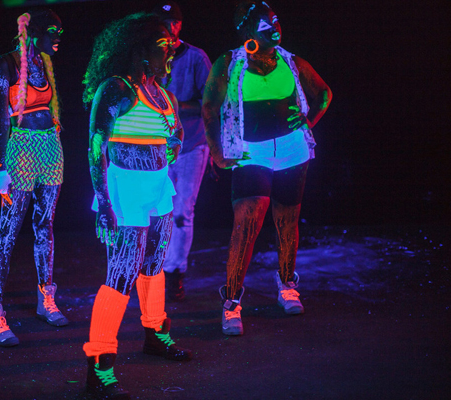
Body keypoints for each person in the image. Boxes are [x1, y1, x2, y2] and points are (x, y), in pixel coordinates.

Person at [203, 1, 332, 336]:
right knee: (247, 225)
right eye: (266, 25)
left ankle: (287, 285)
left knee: (287, 221)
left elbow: (324, 94)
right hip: (251, 152)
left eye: (277, 22)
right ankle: (231, 302)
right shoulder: (229, 63)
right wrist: (217, 153)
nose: (275, 29)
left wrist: (308, 121)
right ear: (247, 30)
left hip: (292, 150)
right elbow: (209, 108)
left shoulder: (291, 61)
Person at [82, 12, 193, 399]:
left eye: (172, 46)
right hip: (125, 191)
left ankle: (155, 333)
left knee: (153, 265)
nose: (170, 51)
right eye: (163, 46)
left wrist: (175, 141)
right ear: (140, 49)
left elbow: (175, 134)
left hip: (158, 188)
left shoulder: (163, 94)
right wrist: (103, 203)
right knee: (121, 274)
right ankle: (99, 365)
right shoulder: (116, 88)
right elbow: (96, 148)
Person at [0, 8, 69, 347]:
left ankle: (46, 298)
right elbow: (1, 117)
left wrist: (56, 138)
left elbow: (51, 107)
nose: (58, 38)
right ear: (34, 33)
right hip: (19, 148)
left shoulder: (46, 64)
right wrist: (0, 167)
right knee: (9, 230)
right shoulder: (5, 63)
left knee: (45, 224)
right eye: (53, 32)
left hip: (49, 146)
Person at [152, 1, 212, 302]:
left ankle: (175, 273)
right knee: (156, 211)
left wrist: (172, 105)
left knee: (182, 212)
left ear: (180, 24)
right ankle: (154, 271)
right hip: (155, 147)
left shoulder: (196, 57)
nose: (170, 27)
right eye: (164, 22)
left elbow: (211, 102)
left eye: (173, 22)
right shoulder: (149, 54)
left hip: (190, 145)